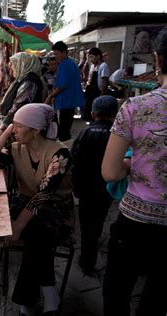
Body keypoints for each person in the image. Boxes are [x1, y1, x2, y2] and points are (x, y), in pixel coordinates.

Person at [0, 103, 72, 316]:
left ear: (35, 130)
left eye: (19, 126)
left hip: (54, 207)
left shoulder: (60, 154)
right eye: (14, 126)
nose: (15, 130)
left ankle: (27, 300)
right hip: (25, 203)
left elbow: (43, 195)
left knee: (35, 232)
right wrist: (7, 132)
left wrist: (18, 226)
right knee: (35, 235)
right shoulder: (15, 148)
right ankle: (49, 292)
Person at [101, 30, 167, 316]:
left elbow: (110, 172)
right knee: (158, 300)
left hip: (136, 222)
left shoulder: (136, 107)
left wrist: (130, 164)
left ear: (157, 59)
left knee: (117, 292)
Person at [71, 95, 118, 274]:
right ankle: (95, 240)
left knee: (85, 224)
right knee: (99, 219)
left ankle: (86, 260)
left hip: (85, 189)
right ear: (114, 115)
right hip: (105, 189)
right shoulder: (115, 136)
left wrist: (75, 185)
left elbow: (74, 159)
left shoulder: (85, 133)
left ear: (93, 113)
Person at [45, 41, 85, 142]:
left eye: (57, 53)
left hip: (65, 101)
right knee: (66, 128)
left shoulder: (64, 65)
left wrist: (50, 96)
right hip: (70, 100)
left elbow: (61, 86)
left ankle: (65, 150)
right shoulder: (71, 64)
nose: (56, 56)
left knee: (63, 130)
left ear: (64, 52)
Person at [0, 52, 45, 131]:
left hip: (25, 124)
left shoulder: (30, 81)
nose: (11, 67)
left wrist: (5, 124)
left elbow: (19, 104)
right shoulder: (24, 79)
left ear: (23, 64)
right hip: (21, 122)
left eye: (13, 64)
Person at [82, 47, 110, 121]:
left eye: (91, 57)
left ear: (98, 56)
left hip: (98, 93)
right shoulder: (93, 66)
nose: (90, 59)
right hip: (91, 93)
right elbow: (88, 78)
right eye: (89, 57)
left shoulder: (103, 66)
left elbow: (105, 82)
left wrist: (102, 95)